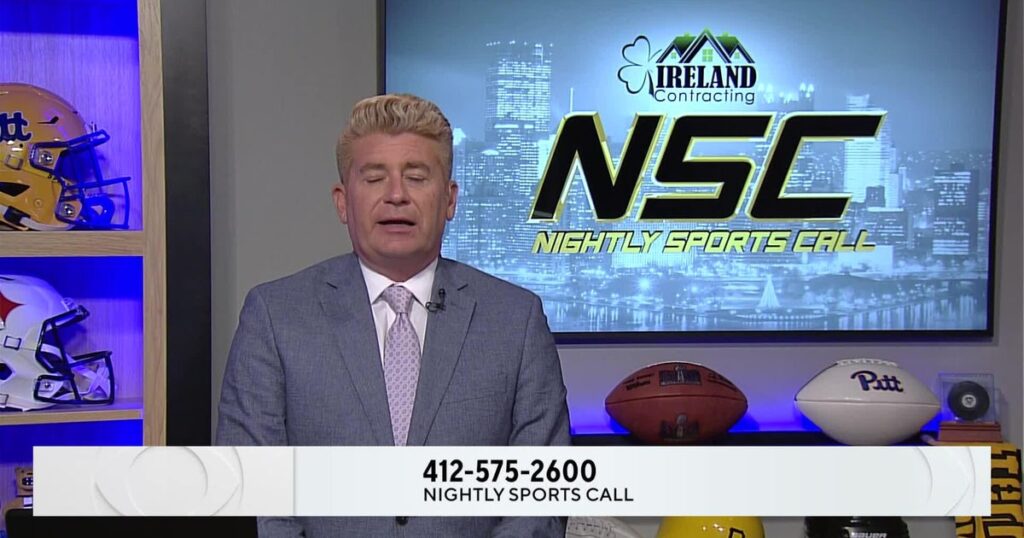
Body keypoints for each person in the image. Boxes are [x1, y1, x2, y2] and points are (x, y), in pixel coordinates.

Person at [217, 93, 571, 537]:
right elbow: (253, 492)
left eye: (417, 177)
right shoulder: (274, 317)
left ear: (449, 200)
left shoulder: (515, 321)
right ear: (342, 202)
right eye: (374, 178)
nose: (397, 195)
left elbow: (540, 498)